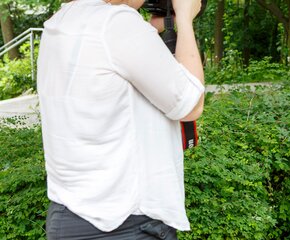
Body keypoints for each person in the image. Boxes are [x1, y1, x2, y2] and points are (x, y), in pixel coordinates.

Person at [37, 0, 204, 238]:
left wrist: (149, 32)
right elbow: (191, 105)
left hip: (68, 218)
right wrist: (185, 20)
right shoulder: (116, 24)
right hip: (127, 224)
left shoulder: (60, 23)